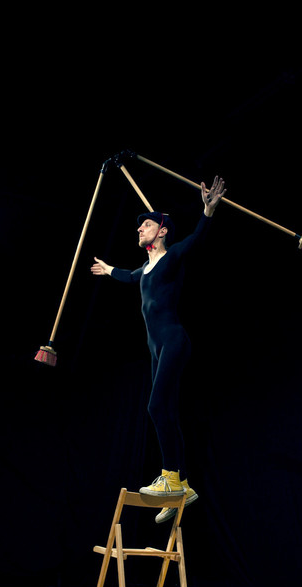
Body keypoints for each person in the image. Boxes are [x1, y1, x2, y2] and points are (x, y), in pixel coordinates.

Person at [91, 176, 226, 522]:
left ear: (162, 231)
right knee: (165, 411)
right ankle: (182, 484)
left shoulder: (172, 257)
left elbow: (196, 240)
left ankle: (169, 478)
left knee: (155, 406)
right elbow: (129, 275)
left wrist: (207, 212)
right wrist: (109, 270)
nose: (140, 229)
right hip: (157, 347)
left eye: (147, 225)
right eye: (140, 226)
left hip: (173, 340)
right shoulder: (146, 268)